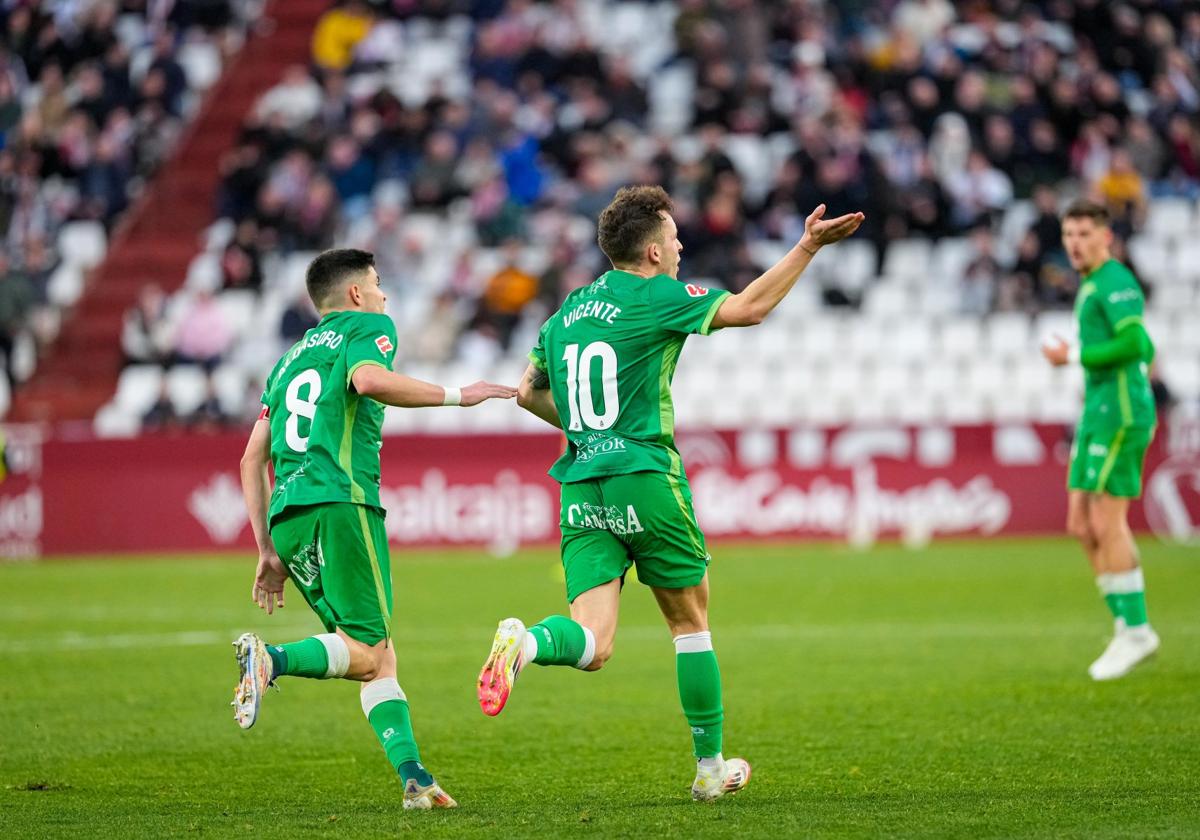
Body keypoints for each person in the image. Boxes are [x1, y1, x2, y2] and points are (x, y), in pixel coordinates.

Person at [475, 186, 863, 801]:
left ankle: (524, 644)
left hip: (581, 486)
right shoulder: (657, 295)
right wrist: (806, 247)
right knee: (690, 622)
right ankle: (710, 770)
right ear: (653, 250)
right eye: (675, 236)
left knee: (593, 642)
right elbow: (748, 308)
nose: (682, 245)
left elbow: (526, 392)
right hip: (645, 476)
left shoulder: (567, 310)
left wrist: (587, 429)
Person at [233, 249, 516, 810]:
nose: (386, 295)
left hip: (288, 517)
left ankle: (415, 778)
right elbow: (368, 379)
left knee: (374, 657)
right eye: (379, 285)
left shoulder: (287, 360)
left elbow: (250, 459)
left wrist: (267, 549)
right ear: (357, 295)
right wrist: (462, 394)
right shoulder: (368, 325)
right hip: (342, 503)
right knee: (366, 651)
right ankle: (271, 660)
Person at [1041, 201, 1159, 681]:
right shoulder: (1090, 284)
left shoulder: (1115, 282)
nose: (1074, 242)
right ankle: (1125, 624)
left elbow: (1138, 344)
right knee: (1079, 524)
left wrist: (1072, 358)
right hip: (1096, 412)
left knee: (1107, 522)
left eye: (1085, 233)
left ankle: (1135, 630)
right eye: (1069, 233)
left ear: (1105, 237)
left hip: (1121, 414)